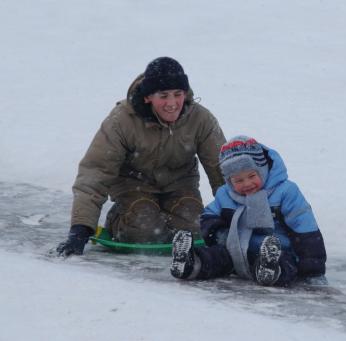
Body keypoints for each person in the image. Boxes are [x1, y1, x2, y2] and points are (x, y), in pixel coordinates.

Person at [56, 57, 226, 257]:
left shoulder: (200, 119)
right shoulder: (121, 121)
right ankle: (119, 221)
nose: (172, 103)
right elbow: (96, 171)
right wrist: (80, 229)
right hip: (133, 188)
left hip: (180, 188)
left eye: (178, 94)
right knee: (143, 230)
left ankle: (167, 222)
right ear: (148, 97)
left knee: (195, 229)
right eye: (163, 96)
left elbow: (221, 169)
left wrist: (234, 218)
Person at [170, 136, 327, 286]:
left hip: (278, 250)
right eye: (238, 180)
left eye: (252, 176)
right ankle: (189, 263)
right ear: (229, 181)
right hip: (235, 251)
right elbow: (209, 216)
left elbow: (305, 228)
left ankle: (269, 269)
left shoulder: (285, 192)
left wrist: (312, 269)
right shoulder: (226, 194)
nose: (247, 183)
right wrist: (220, 234)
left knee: (286, 264)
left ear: (262, 169)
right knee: (215, 257)